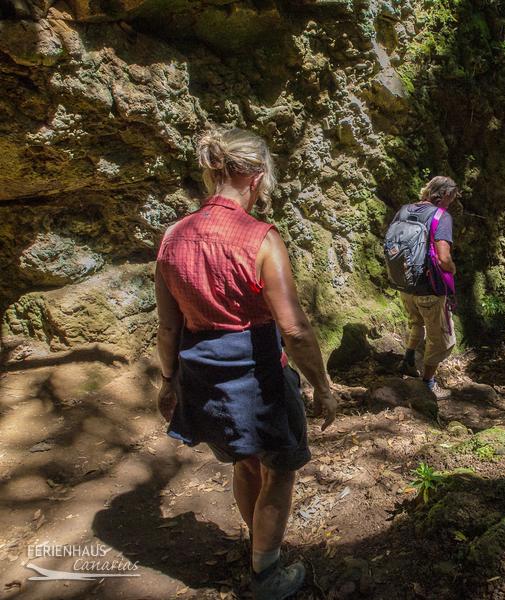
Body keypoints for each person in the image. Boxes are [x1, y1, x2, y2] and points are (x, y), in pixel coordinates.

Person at [155, 127, 337, 600]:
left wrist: (169, 380)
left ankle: (256, 547)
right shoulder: (260, 239)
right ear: (257, 178)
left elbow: (168, 329)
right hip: (257, 372)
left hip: (204, 373)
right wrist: (322, 385)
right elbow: (294, 329)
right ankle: (266, 574)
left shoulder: (173, 236)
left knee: (245, 461)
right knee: (280, 468)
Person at [394, 176, 458, 399]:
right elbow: (443, 258)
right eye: (452, 197)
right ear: (446, 195)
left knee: (416, 321)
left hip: (404, 284)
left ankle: (408, 360)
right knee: (440, 338)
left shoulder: (404, 210)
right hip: (429, 288)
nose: (452, 202)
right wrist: (452, 269)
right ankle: (428, 384)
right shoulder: (441, 217)